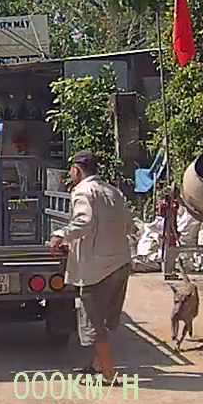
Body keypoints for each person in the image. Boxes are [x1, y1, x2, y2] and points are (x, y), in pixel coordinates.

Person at [48, 150, 134, 381]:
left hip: (97, 270)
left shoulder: (83, 191)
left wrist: (60, 235)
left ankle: (108, 374)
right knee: (104, 320)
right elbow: (129, 224)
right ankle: (96, 366)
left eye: (71, 169)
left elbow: (83, 222)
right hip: (120, 264)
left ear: (77, 170)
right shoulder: (113, 191)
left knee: (94, 324)